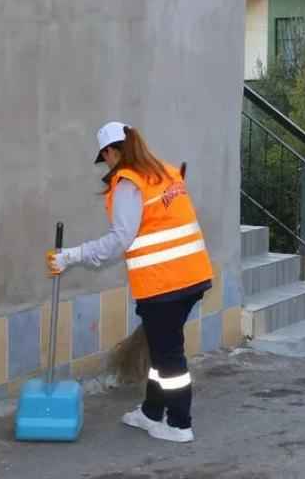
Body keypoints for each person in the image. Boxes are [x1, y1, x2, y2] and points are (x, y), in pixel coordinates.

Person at [45, 122, 214, 442]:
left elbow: (120, 239)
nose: (106, 164)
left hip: (164, 284)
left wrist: (71, 256)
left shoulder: (128, 183)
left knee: (169, 355)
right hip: (191, 275)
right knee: (159, 347)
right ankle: (152, 411)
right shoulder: (163, 172)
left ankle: (179, 424)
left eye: (105, 157)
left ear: (112, 151)